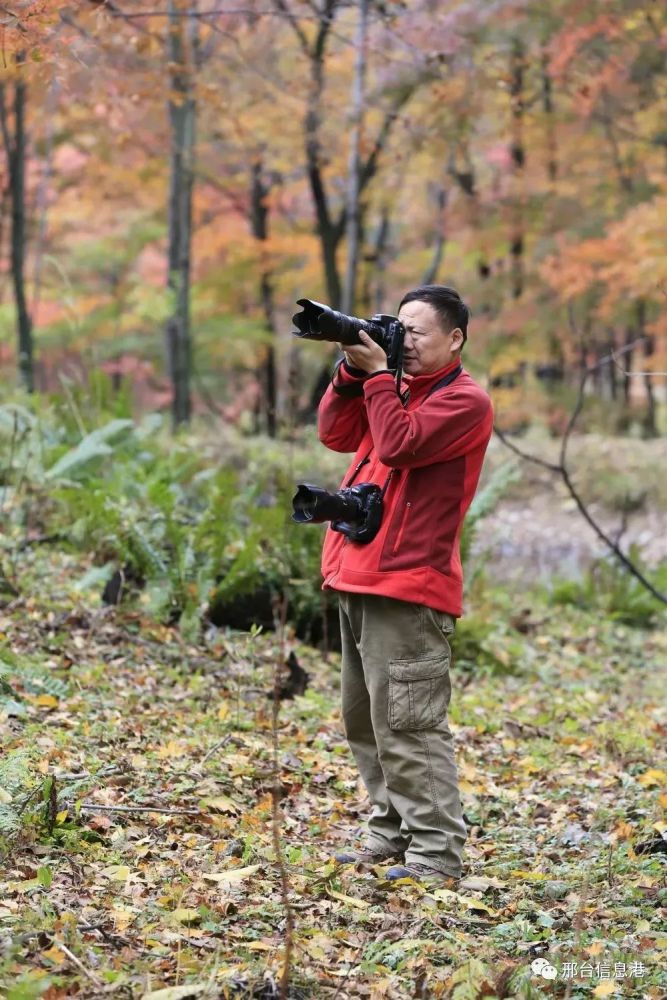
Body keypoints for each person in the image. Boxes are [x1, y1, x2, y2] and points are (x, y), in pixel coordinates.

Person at [317, 284, 493, 888]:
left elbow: (398, 445)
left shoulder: (466, 401)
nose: (406, 340)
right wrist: (351, 369)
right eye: (401, 327)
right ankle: (389, 831)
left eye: (418, 332)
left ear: (455, 338)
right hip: (357, 572)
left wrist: (376, 381)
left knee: (410, 723)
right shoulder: (395, 389)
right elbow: (336, 434)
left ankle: (438, 852)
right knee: (364, 720)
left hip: (409, 584)